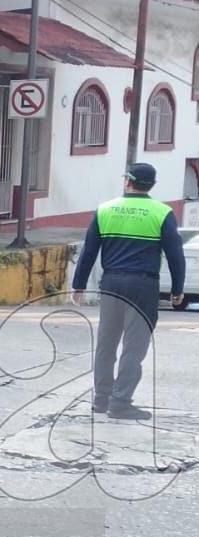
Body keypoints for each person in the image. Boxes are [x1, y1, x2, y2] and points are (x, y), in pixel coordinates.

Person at [70, 163, 186, 420]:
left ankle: (101, 400)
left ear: (127, 182)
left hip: (111, 283)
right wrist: (177, 289)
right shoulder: (162, 213)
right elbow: (176, 255)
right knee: (134, 346)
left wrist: (78, 285)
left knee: (106, 343)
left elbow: (89, 251)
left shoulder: (105, 210)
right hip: (143, 286)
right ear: (152, 185)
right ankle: (120, 402)